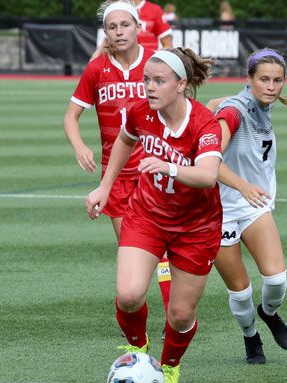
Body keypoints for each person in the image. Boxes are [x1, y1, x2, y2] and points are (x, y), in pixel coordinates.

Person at [85, 47, 223, 383]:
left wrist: (170, 167)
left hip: (197, 227)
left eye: (159, 81)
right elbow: (124, 141)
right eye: (147, 79)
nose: (148, 87)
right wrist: (104, 187)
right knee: (129, 294)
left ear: (181, 84)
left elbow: (208, 176)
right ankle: (137, 347)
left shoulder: (203, 122)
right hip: (147, 214)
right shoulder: (140, 112)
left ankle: (171, 366)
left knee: (180, 315)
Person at [64, 1, 172, 315]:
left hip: (154, 172)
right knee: (132, 254)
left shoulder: (155, 63)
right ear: (106, 33)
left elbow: (179, 112)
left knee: (162, 252)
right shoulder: (97, 68)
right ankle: (138, 334)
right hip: (116, 177)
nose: (119, 32)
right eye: (112, 27)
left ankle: (170, 318)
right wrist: (80, 146)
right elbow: (71, 117)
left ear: (139, 28)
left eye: (125, 25)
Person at [213, 48, 287, 364]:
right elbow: (209, 162)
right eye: (263, 79)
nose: (271, 86)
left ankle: (269, 313)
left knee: (276, 282)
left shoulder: (259, 106)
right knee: (241, 292)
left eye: (277, 80)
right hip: (220, 210)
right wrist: (243, 185)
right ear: (249, 80)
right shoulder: (235, 111)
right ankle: (251, 339)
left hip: (252, 207)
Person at [91, 0, 173, 61]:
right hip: (121, 65)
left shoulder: (154, 10)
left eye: (125, 25)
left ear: (138, 27)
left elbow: (168, 45)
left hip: (148, 67)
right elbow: (106, 42)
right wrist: (94, 61)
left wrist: (153, 59)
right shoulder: (116, 9)